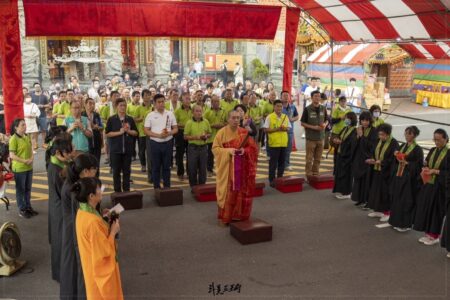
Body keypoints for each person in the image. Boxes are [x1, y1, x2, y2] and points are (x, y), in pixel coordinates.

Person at [73, 177, 124, 300]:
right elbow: (103, 252)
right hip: (98, 273)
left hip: (90, 267)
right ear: (91, 196)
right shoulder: (93, 223)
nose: (101, 191)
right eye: (98, 189)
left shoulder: (83, 211)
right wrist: (113, 232)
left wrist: (102, 216)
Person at [60, 153, 98, 300]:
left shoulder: (72, 182)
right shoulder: (75, 189)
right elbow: (82, 214)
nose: (95, 173)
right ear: (85, 171)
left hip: (71, 229)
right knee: (79, 269)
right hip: (75, 233)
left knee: (72, 268)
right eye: (94, 170)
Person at [212, 110, 258, 226]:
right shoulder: (221, 133)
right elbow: (215, 149)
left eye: (238, 118)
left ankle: (239, 216)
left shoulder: (243, 132)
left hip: (241, 169)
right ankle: (225, 218)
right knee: (228, 193)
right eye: (233, 118)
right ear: (228, 119)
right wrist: (228, 151)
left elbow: (253, 149)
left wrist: (244, 150)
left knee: (239, 192)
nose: (236, 120)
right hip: (227, 170)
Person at [414, 129, 449, 246]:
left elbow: (448, 172)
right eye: (435, 139)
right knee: (428, 208)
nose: (436, 142)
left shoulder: (448, 153)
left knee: (436, 211)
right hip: (429, 184)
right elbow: (428, 162)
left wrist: (436, 171)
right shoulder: (433, 150)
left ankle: (435, 235)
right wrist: (426, 165)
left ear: (445, 139)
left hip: (440, 187)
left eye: (439, 140)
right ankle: (428, 233)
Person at [47, 137, 73, 282]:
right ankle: (60, 274)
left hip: (58, 207)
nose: (70, 154)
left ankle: (61, 272)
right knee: (61, 242)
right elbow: (64, 191)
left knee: (61, 241)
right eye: (67, 152)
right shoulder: (56, 169)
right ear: (58, 152)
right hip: (60, 210)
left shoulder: (57, 163)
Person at [388, 126, 423, 232]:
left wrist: (407, 163)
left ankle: (405, 224)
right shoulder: (402, 146)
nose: (407, 135)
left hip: (409, 179)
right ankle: (395, 221)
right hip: (399, 175)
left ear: (415, 135)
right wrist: (396, 156)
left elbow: (419, 165)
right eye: (406, 133)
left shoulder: (418, 149)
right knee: (397, 199)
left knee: (405, 201)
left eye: (410, 134)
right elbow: (396, 161)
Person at [366, 123, 399, 222]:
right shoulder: (378, 141)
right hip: (376, 169)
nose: (381, 136)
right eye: (379, 134)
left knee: (385, 192)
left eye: (383, 135)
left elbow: (393, 159)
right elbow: (373, 151)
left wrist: (382, 162)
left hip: (387, 172)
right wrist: (372, 159)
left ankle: (387, 212)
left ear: (388, 134)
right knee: (376, 190)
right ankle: (377, 210)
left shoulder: (394, 143)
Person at [144, 94, 178, 189]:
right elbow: (146, 130)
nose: (161, 104)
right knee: (156, 167)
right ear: (154, 103)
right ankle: (156, 188)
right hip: (155, 143)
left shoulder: (170, 114)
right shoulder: (150, 115)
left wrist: (169, 133)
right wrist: (159, 135)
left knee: (167, 166)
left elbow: (175, 129)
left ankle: (167, 187)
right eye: (159, 102)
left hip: (168, 143)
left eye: (163, 101)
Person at [105, 98, 138, 193]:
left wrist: (128, 131)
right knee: (116, 172)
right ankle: (117, 192)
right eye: (121, 105)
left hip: (127, 150)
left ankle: (126, 190)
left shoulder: (130, 119)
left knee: (127, 172)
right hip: (115, 150)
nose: (123, 107)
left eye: (124, 105)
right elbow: (107, 133)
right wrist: (119, 133)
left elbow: (136, 133)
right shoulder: (111, 119)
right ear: (116, 107)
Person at [9, 118, 37, 218]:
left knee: (28, 189)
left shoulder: (26, 136)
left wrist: (32, 157)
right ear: (16, 127)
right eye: (22, 125)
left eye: (25, 125)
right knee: (20, 190)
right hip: (20, 169)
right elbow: (12, 155)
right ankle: (22, 209)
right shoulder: (13, 139)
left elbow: (31, 148)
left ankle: (28, 207)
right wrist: (24, 161)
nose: (25, 126)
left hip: (29, 167)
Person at [351, 111, 378, 208]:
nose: (364, 122)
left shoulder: (374, 131)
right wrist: (357, 137)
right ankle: (360, 198)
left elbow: (372, 146)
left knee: (367, 180)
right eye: (362, 120)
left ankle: (367, 200)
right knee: (358, 179)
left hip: (368, 157)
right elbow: (353, 143)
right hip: (359, 157)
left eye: (367, 120)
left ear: (370, 121)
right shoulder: (358, 129)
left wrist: (362, 136)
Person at [301, 90, 328, 177]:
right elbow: (302, 123)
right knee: (309, 159)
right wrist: (314, 127)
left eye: (319, 96)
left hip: (321, 137)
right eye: (315, 96)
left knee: (318, 158)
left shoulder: (323, 108)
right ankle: (308, 174)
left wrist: (325, 124)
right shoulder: (307, 109)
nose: (317, 98)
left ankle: (315, 173)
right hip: (311, 138)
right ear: (312, 98)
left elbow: (327, 120)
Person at [263, 100, 290, 186]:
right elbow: (265, 129)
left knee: (282, 162)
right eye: (277, 106)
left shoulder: (285, 117)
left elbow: (289, 128)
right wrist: (277, 129)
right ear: (274, 107)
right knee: (273, 163)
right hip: (274, 144)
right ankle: (272, 180)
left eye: (280, 106)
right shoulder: (269, 117)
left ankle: (279, 179)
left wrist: (284, 128)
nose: (279, 108)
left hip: (283, 143)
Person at [332, 112, 358, 199]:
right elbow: (340, 137)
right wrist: (336, 140)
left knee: (347, 174)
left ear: (352, 120)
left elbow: (352, 143)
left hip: (348, 155)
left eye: (348, 118)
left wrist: (341, 142)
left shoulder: (354, 130)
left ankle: (347, 192)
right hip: (341, 154)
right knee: (340, 173)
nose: (346, 120)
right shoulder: (345, 128)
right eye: (346, 118)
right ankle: (342, 190)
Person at [184, 105, 211, 188]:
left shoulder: (206, 121)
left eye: (200, 111)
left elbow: (209, 133)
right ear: (193, 112)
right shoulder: (189, 123)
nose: (199, 113)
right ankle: (193, 187)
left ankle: (202, 187)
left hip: (203, 148)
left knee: (203, 169)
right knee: (192, 169)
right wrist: (197, 137)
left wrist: (206, 136)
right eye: (197, 111)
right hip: (193, 148)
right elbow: (185, 136)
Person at [204, 95, 226, 177]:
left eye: (217, 101)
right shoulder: (207, 112)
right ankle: (209, 170)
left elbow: (227, 122)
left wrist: (222, 125)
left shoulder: (224, 111)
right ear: (212, 102)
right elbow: (204, 124)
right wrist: (213, 125)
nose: (216, 103)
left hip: (222, 137)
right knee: (210, 155)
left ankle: (221, 170)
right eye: (214, 101)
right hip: (211, 138)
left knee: (222, 155)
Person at [174, 92, 192, 180]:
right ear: (182, 100)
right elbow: (174, 124)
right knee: (179, 155)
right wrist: (186, 125)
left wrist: (185, 125)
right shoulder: (177, 111)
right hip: (180, 134)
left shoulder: (193, 109)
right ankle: (180, 173)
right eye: (186, 99)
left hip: (191, 134)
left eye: (189, 99)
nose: (188, 101)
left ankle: (189, 172)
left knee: (190, 155)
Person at [82, 98, 103, 174]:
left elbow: (102, 127)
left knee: (96, 163)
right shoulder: (82, 115)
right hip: (86, 144)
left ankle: (97, 180)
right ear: (85, 105)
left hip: (97, 142)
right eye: (90, 103)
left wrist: (97, 127)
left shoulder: (97, 115)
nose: (92, 105)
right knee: (87, 164)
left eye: (93, 104)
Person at [281, 91, 299, 171]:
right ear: (281, 97)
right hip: (280, 131)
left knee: (288, 149)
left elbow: (297, 116)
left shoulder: (292, 107)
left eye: (287, 96)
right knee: (280, 149)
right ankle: (279, 164)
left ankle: (286, 164)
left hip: (289, 131)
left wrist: (292, 119)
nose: (285, 97)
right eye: (284, 96)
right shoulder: (278, 106)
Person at [135, 90, 152, 173]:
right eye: (146, 95)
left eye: (149, 95)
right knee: (142, 150)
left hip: (152, 133)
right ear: (142, 97)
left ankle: (151, 165)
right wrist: (140, 119)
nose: (147, 97)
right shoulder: (139, 108)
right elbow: (134, 119)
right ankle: (143, 165)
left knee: (151, 150)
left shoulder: (153, 107)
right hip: (142, 132)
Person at [31, 82, 51, 147]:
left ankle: (44, 143)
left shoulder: (44, 96)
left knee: (44, 130)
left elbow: (48, 105)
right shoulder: (31, 96)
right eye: (36, 87)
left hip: (43, 115)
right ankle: (35, 144)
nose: (37, 88)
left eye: (38, 87)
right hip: (34, 116)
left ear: (40, 87)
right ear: (34, 88)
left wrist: (42, 106)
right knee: (35, 131)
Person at [127, 91, 141, 161]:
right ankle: (133, 155)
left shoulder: (141, 105)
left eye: (139, 96)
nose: (138, 97)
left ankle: (140, 155)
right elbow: (127, 115)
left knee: (140, 143)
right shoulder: (128, 106)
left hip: (140, 128)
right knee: (132, 143)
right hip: (132, 128)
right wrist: (133, 118)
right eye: (136, 96)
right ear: (132, 97)